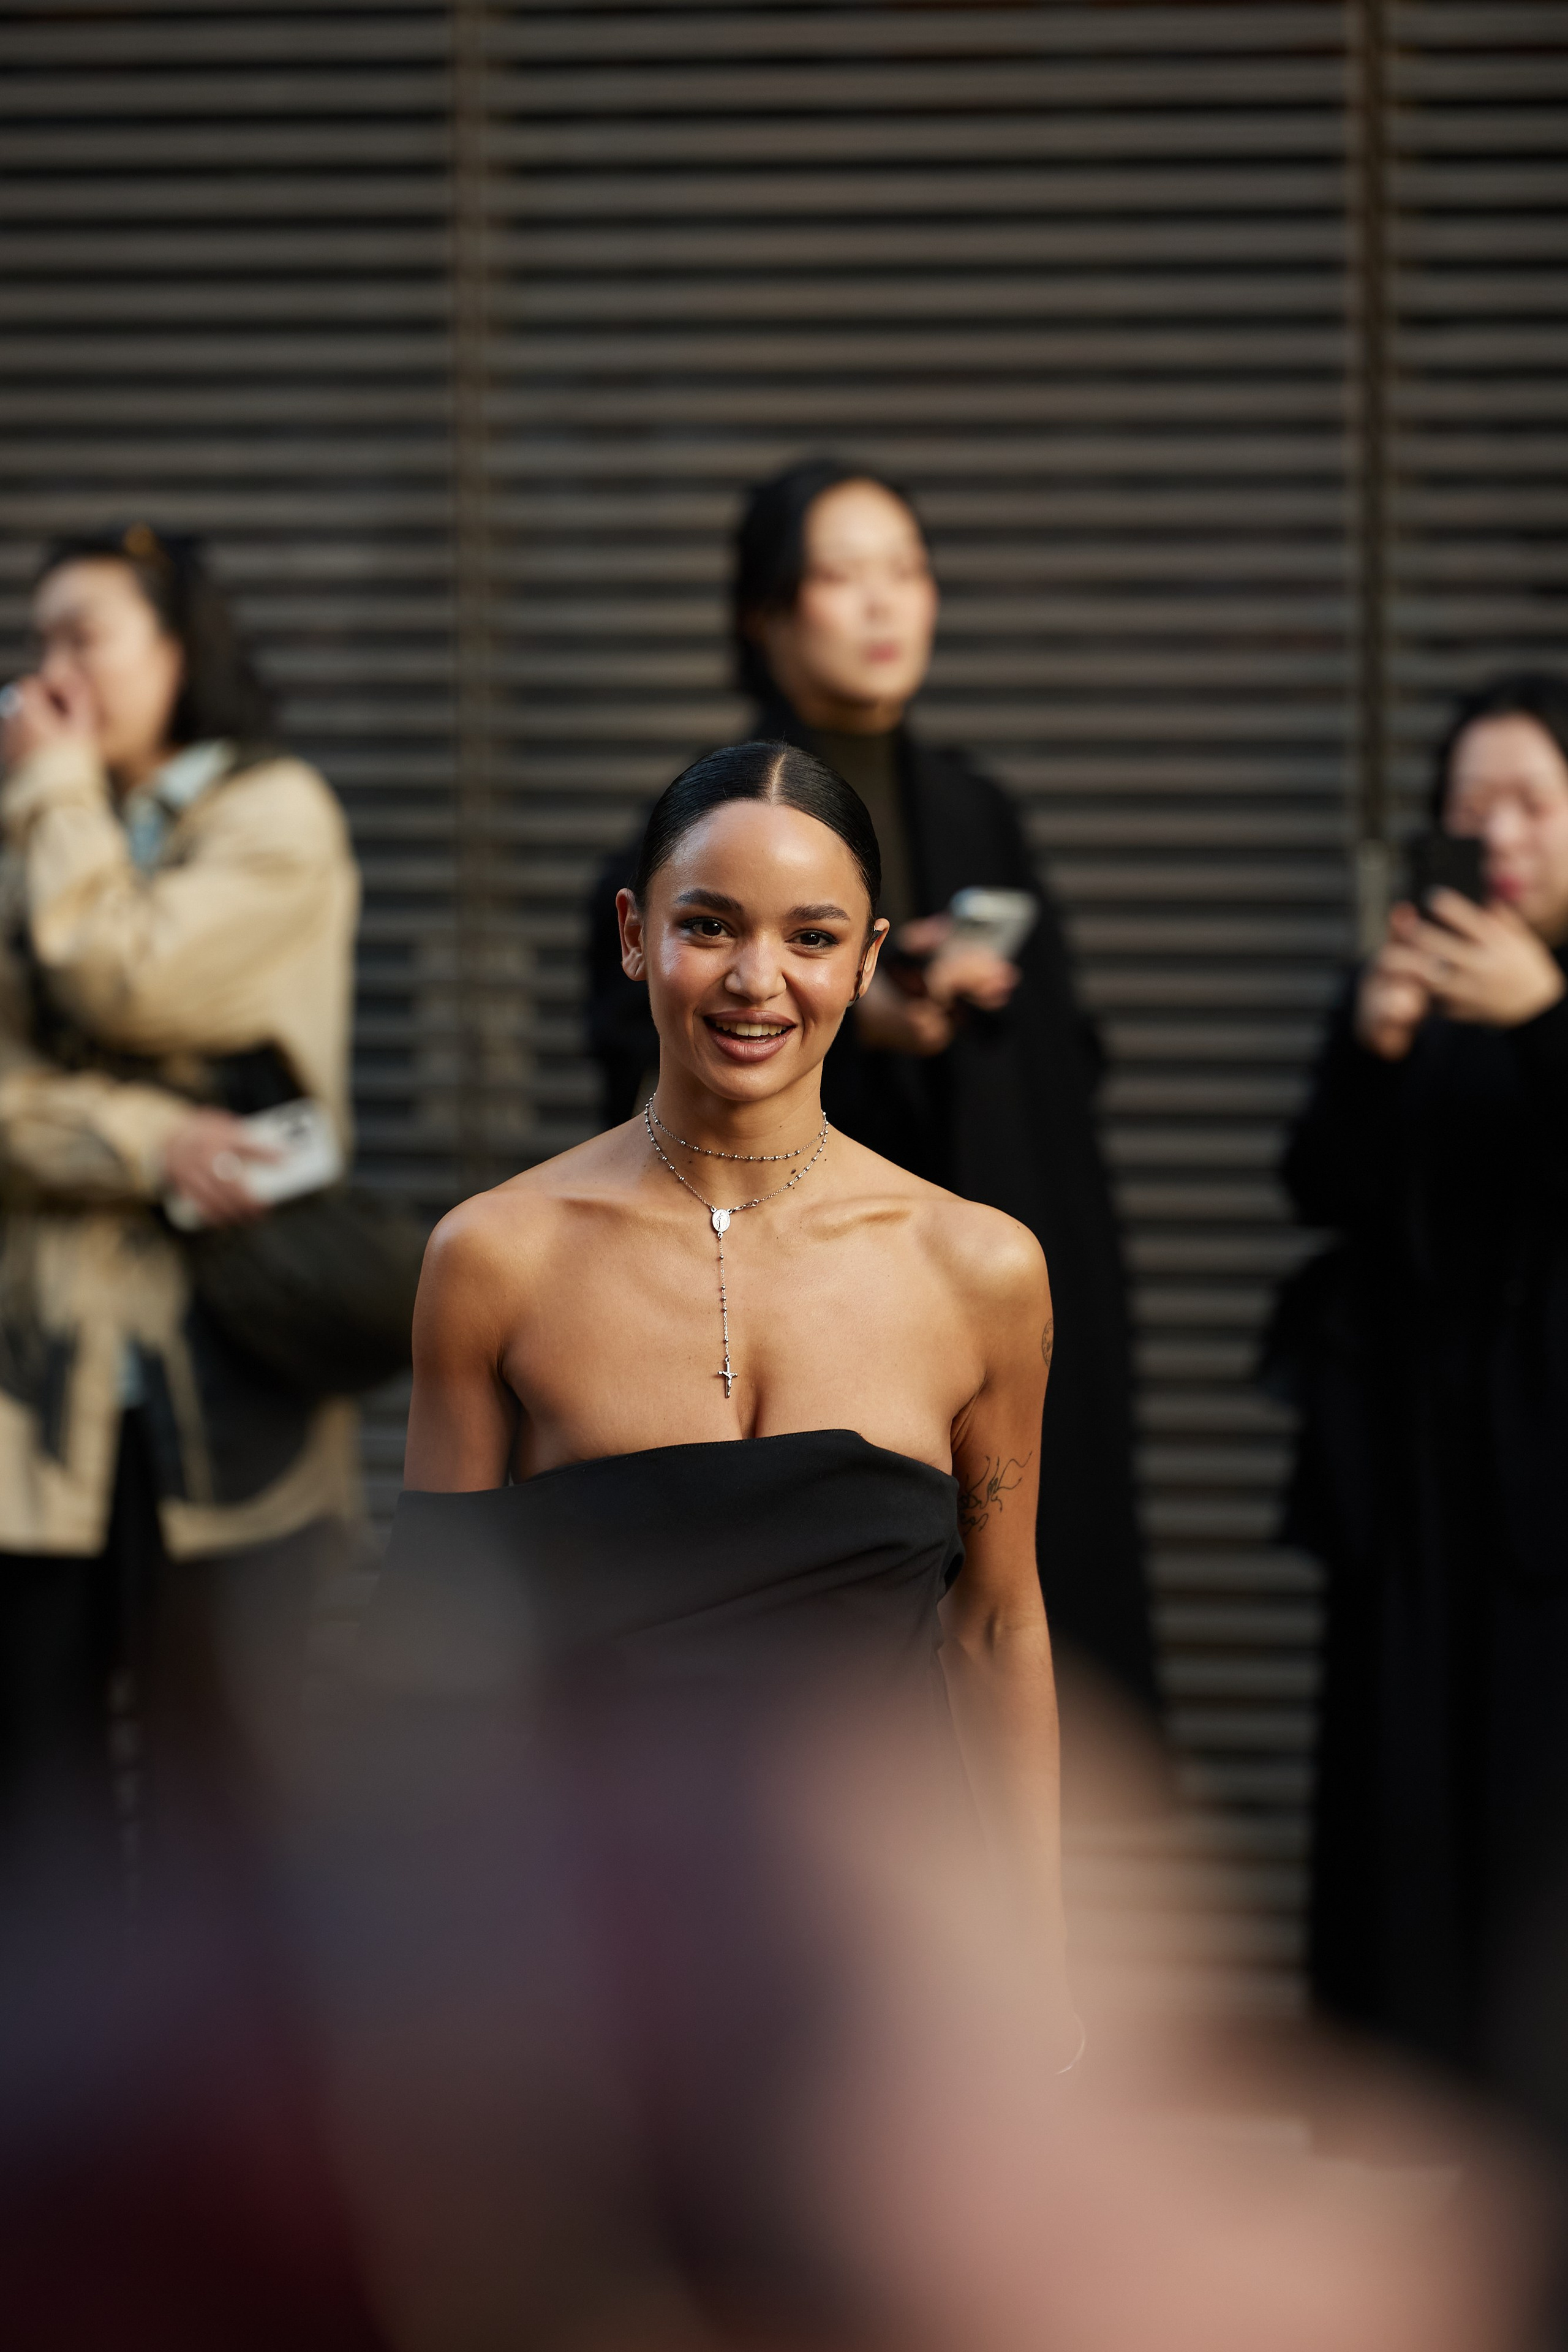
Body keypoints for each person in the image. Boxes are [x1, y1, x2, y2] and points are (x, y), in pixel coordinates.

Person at [394, 739, 1066, 1985]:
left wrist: (1037, 1959)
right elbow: (433, 1657)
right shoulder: (494, 1258)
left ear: (868, 961)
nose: (757, 981)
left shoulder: (978, 1270)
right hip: (581, 1970)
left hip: (879, 1961)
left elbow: (994, 1627)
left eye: (812, 939)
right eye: (708, 925)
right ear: (632, 933)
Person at [588, 458, 1156, 1717]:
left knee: (1023, 1627)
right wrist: (856, 1026)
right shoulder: (701, 824)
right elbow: (615, 1056)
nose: (882, 606)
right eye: (841, 577)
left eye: (904, 572)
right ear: (766, 614)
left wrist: (963, 1016)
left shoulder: (977, 810)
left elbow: (1071, 1060)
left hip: (1008, 1265)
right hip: (788, 1303)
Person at [0, 523, 362, 1855]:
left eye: (84, 637)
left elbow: (118, 975)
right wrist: (150, 1139)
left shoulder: (273, 816)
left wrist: (49, 801)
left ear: (176, 650)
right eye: (36, 641)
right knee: (39, 1813)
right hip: (35, 1411)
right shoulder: (35, 814)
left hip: (234, 1379)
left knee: (240, 1808)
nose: (51, 677)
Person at [1275, 671, 1568, 2087]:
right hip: (1413, 1457)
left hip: (1548, 1460)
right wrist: (1374, 1046)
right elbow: (1314, 1185)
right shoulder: (1408, 980)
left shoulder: (1534, 992)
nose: (1495, 832)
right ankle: (1421, 2097)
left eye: (1529, 802)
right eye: (1468, 807)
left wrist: (1543, 1016)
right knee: (1405, 1783)